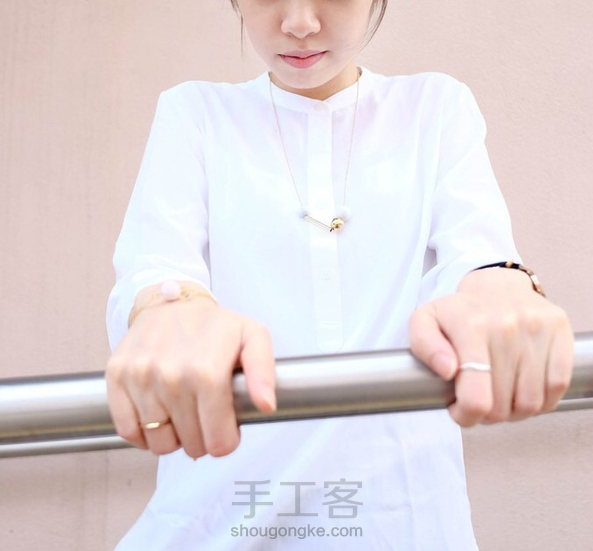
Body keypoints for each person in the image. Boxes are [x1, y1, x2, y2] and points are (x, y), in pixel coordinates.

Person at [105, 0, 574, 549]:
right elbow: (156, 266)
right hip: (219, 522)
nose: (299, 23)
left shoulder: (433, 107)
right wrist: (169, 310)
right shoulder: (197, 113)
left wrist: (500, 285)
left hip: (403, 521)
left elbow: (475, 254)